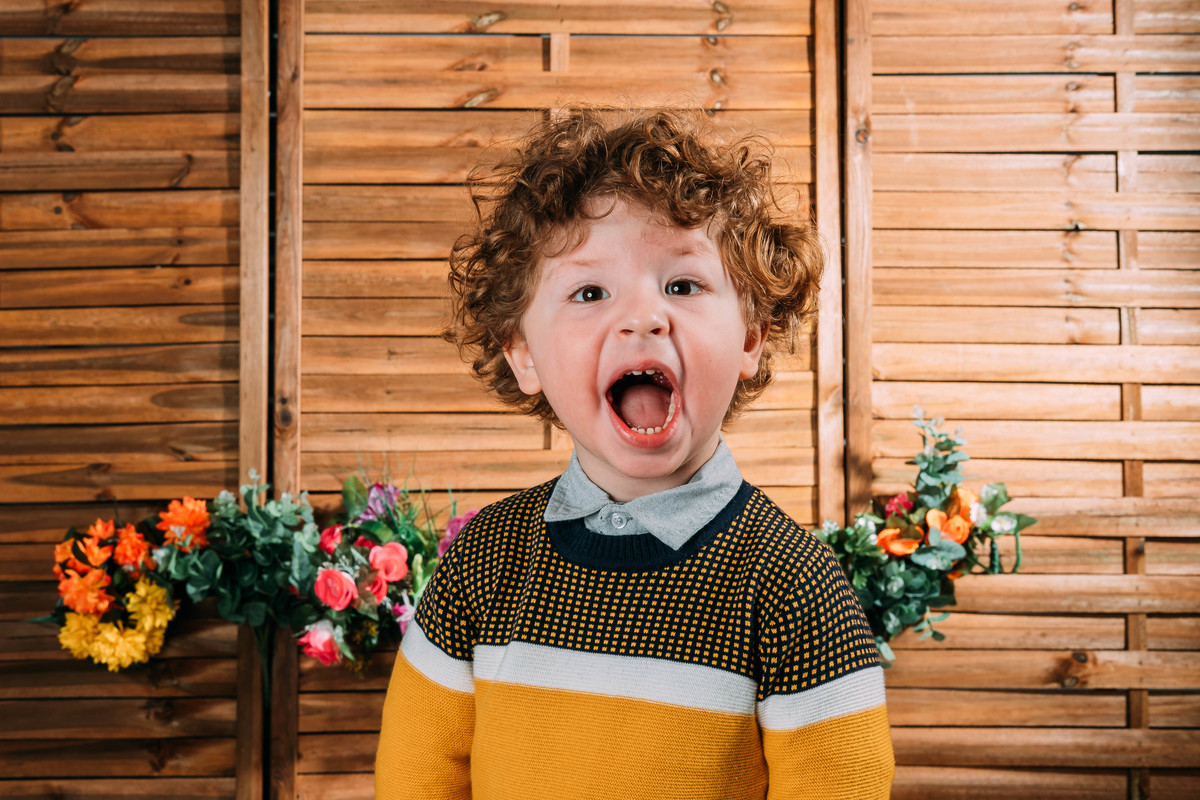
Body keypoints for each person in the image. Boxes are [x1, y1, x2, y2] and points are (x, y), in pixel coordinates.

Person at [375, 108, 894, 799]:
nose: (643, 315)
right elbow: (417, 778)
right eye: (589, 291)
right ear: (523, 354)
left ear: (750, 337)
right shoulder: (483, 566)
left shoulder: (795, 589)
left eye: (682, 285)